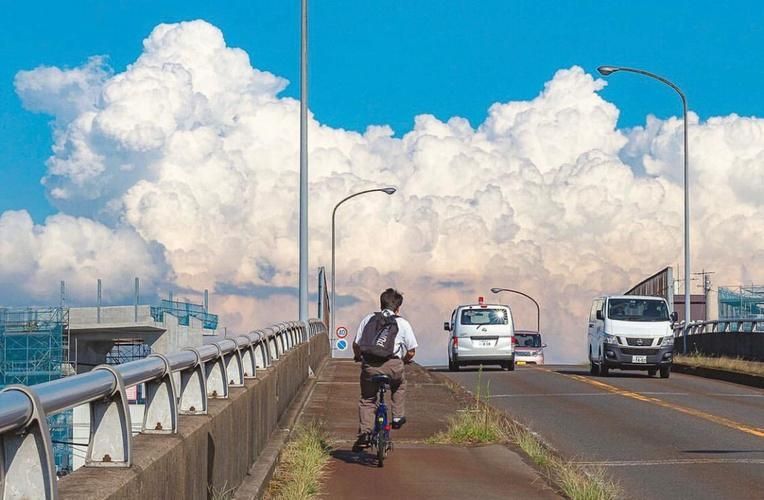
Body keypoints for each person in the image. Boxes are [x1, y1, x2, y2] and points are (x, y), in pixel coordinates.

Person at [352, 288, 417, 451]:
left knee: (367, 399)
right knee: (399, 385)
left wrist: (358, 356)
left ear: (381, 304)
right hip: (393, 366)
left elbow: (356, 344)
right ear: (398, 308)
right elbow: (411, 351)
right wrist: (404, 361)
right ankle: (397, 417)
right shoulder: (402, 323)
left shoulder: (368, 319)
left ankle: (365, 433)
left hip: (370, 367)